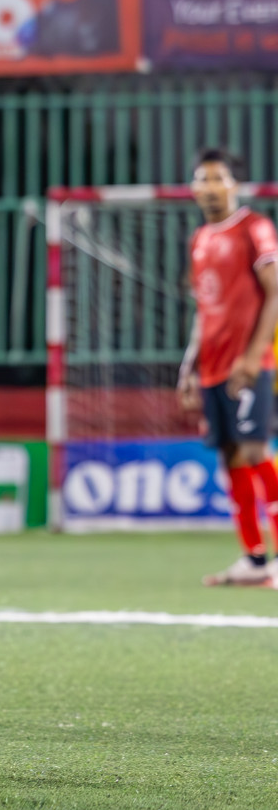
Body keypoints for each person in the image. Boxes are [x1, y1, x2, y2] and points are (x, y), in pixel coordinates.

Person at [175, 150, 278, 587]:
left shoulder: (255, 227)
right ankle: (254, 560)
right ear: (194, 190)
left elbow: (274, 292)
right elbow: (205, 308)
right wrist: (188, 367)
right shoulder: (199, 239)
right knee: (231, 457)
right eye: (203, 180)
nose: (211, 187)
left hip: (248, 364)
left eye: (220, 179)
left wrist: (254, 356)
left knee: (255, 451)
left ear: (235, 185)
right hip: (213, 367)